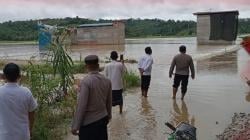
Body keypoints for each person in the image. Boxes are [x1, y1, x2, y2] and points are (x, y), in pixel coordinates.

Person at [71, 55, 112, 140]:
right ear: (98, 66)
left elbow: (81, 106)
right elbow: (109, 101)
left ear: (86, 67)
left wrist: (75, 126)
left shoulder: (86, 81)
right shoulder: (107, 81)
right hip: (103, 119)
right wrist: (109, 116)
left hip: (89, 124)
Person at [0, 63, 37, 140]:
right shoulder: (26, 92)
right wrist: (30, 130)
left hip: (4, 136)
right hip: (22, 135)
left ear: (3, 76)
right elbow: (32, 115)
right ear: (19, 76)